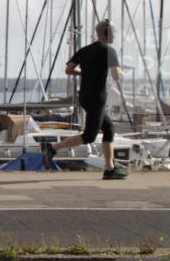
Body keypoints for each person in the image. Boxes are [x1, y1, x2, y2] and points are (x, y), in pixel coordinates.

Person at [41, 19, 127, 179]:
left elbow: (69, 70)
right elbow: (116, 75)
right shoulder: (109, 51)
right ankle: (51, 148)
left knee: (109, 129)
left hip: (85, 97)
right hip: (97, 98)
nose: (115, 35)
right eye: (114, 32)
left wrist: (85, 72)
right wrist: (120, 72)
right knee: (89, 136)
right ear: (107, 33)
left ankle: (110, 169)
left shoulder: (85, 50)